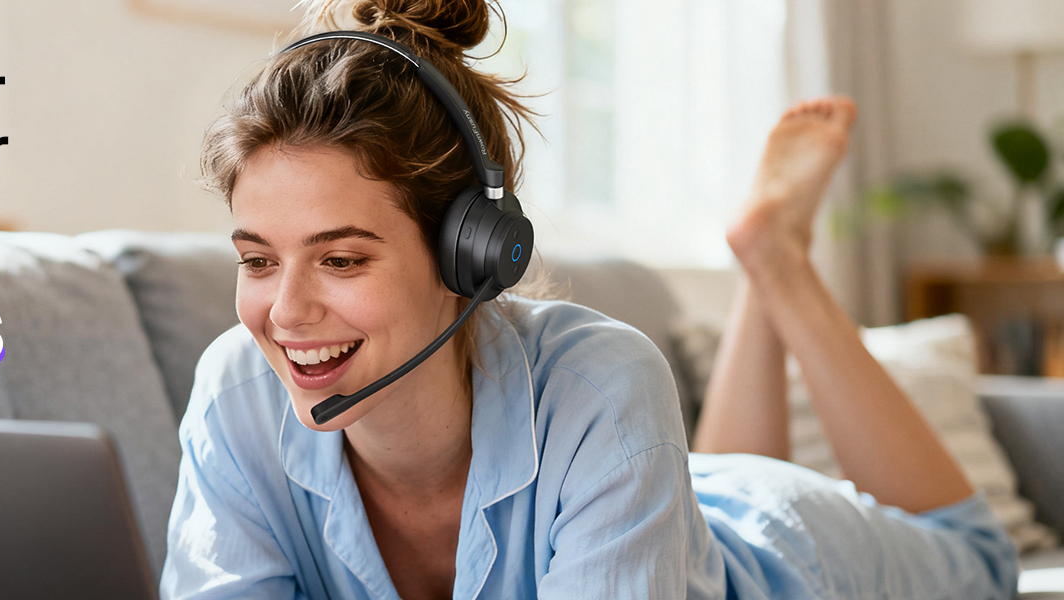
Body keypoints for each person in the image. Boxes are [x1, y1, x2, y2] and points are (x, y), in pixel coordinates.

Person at [160, 0, 1020, 598]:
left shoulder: (601, 382)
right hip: (665, 514)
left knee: (982, 564)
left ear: (471, 254)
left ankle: (779, 264)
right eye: (258, 260)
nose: (285, 313)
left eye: (342, 260)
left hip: (783, 558)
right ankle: (769, 259)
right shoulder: (235, 396)